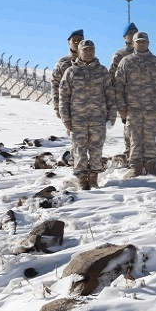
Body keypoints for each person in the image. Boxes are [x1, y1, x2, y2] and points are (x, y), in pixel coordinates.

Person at [115, 32, 156, 177]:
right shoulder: (126, 61)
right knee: (134, 138)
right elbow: (118, 85)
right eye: (138, 41)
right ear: (133, 43)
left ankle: (150, 165)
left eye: (144, 41)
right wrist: (121, 107)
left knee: (150, 138)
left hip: (151, 108)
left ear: (148, 43)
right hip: (132, 108)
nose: (141, 44)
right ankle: (135, 166)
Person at [59, 39, 115, 190]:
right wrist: (65, 117)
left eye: (91, 50)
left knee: (96, 148)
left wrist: (112, 115)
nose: (89, 53)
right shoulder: (71, 71)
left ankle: (94, 178)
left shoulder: (102, 71)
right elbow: (63, 96)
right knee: (79, 149)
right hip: (77, 119)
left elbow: (110, 94)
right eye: (85, 50)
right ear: (79, 52)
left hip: (98, 118)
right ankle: (82, 180)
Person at [109, 22, 139, 159]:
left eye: (135, 33)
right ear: (124, 37)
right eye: (130, 33)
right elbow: (112, 77)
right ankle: (129, 155)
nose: (132, 35)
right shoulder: (120, 54)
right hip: (126, 99)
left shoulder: (143, 51)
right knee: (129, 129)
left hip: (144, 98)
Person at [51, 29, 84, 118]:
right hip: (70, 109)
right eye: (74, 40)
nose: (77, 42)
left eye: (79, 39)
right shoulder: (63, 62)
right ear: (69, 42)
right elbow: (55, 84)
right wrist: (57, 107)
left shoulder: (91, 62)